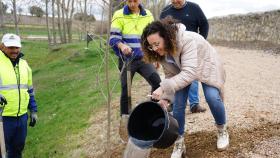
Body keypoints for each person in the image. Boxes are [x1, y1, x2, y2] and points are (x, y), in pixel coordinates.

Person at [141, 17, 229, 158]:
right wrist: (166, 98)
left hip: (205, 64)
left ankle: (222, 129)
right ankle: (179, 142)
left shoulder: (186, 40)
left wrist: (162, 87)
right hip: (184, 70)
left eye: (157, 44)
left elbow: (189, 73)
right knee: (178, 106)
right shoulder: (161, 53)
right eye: (151, 46)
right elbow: (170, 76)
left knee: (212, 97)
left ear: (166, 37)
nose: (155, 49)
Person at [109, 0, 161, 141]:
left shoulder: (148, 15)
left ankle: (154, 114)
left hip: (144, 59)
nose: (132, 3)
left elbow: (153, 37)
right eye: (129, 0)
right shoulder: (119, 15)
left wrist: (155, 57)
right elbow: (113, 38)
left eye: (135, 0)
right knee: (126, 91)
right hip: (127, 60)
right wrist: (121, 45)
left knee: (157, 82)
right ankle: (126, 123)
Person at [160, 0, 209, 113]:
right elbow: (160, 31)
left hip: (191, 49)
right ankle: (174, 102)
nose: (175, 1)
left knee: (191, 74)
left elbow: (204, 25)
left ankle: (194, 104)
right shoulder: (165, 11)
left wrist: (201, 42)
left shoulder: (194, 8)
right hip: (173, 52)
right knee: (172, 76)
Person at [0, 33, 38, 158]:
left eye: (16, 47)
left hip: (21, 117)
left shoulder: (24, 64)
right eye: (11, 47)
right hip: (3, 119)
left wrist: (33, 110)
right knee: (2, 151)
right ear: (2, 46)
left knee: (17, 150)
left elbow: (30, 90)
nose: (14, 50)